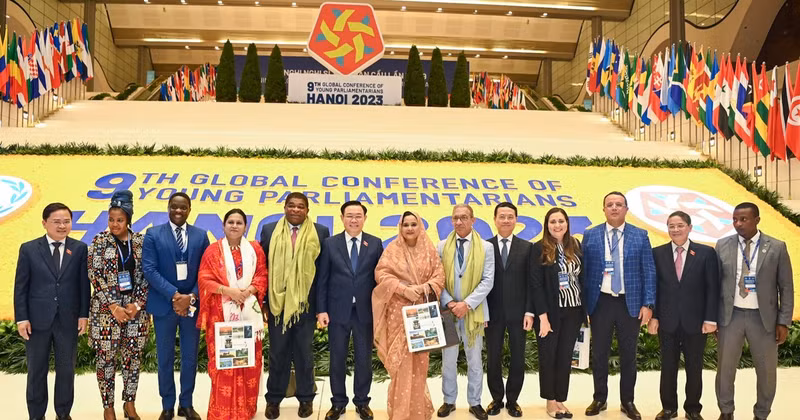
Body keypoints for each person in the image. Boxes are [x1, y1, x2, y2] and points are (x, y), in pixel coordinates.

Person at [715, 202, 793, 420]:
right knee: (725, 369)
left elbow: (786, 287)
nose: (738, 224)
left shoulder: (776, 247)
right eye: (734, 219)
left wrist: (783, 321)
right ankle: (726, 411)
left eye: (744, 219)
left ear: (757, 220)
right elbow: (714, 284)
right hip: (730, 316)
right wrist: (712, 318)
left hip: (763, 318)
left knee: (766, 371)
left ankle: (761, 413)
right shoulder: (722, 245)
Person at [582, 191, 656, 420]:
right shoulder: (591, 235)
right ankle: (599, 398)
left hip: (629, 302)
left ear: (626, 209)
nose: (614, 208)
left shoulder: (640, 235)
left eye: (618, 204)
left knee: (628, 355)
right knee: (599, 353)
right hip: (600, 302)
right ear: (603, 209)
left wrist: (648, 303)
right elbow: (584, 272)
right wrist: (584, 305)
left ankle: (628, 401)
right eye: (610, 204)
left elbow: (649, 271)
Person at [14, 202, 90, 420]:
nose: (62, 226)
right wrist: (22, 318)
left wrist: (83, 314)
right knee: (36, 371)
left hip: (68, 319)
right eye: (56, 221)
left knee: (66, 370)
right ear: (44, 223)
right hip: (37, 321)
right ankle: (36, 415)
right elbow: (21, 287)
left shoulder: (79, 249)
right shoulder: (29, 249)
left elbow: (84, 285)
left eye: (67, 221)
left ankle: (63, 413)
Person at [261, 192, 330, 419]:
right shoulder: (270, 230)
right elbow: (264, 269)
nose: (296, 210)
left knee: (304, 354)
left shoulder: (320, 232)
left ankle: (306, 398)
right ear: (285, 207)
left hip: (305, 305)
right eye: (291, 205)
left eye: (301, 206)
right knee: (277, 353)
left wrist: (321, 307)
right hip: (278, 304)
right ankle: (274, 399)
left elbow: (322, 273)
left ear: (307, 210)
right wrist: (264, 302)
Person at [142, 192, 210, 420]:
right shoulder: (153, 234)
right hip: (164, 304)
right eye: (174, 207)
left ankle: (186, 404)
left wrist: (191, 296)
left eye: (183, 207)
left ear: (189, 209)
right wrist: (174, 295)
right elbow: (149, 269)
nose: (178, 211)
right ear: (168, 208)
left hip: (192, 305)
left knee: (190, 357)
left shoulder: (201, 236)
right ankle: (167, 405)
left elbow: (207, 271)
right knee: (165, 358)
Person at [373, 211, 445, 420]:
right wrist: (404, 290)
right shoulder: (392, 250)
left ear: (420, 226)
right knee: (400, 365)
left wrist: (423, 288)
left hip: (422, 313)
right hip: (398, 313)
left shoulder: (429, 250)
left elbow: (439, 276)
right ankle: (400, 413)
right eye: (406, 225)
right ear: (400, 227)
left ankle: (417, 412)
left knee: (420, 364)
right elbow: (381, 274)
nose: (410, 228)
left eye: (414, 224)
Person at [197, 209, 268, 420]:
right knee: (225, 362)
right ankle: (221, 412)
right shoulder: (213, 251)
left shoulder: (255, 249)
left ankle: (246, 410)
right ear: (224, 225)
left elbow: (262, 275)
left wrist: (246, 292)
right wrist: (229, 292)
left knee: (247, 362)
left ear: (245, 226)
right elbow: (204, 279)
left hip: (248, 314)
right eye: (230, 222)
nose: (234, 226)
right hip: (221, 315)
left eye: (239, 222)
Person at [647, 211, 718, 420]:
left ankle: (693, 409)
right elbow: (654, 287)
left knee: (694, 368)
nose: (675, 230)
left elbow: (712, 288)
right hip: (667, 321)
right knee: (668, 367)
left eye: (680, 225)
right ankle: (669, 408)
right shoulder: (657, 253)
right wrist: (654, 316)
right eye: (671, 226)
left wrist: (710, 319)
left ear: (689, 227)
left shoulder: (706, 253)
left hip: (695, 322)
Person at [317, 201, 384, 420]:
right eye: (349, 216)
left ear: (365, 218)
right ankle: (338, 403)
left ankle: (362, 402)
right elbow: (322, 279)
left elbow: (380, 279)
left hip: (365, 312)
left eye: (358, 216)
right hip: (337, 311)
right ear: (342, 218)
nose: (353, 220)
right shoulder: (330, 244)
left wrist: (381, 310)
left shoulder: (375, 243)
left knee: (364, 359)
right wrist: (321, 310)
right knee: (337, 358)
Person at [88, 191, 149, 420]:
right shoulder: (99, 241)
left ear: (128, 219)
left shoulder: (141, 242)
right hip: (106, 312)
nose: (115, 224)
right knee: (106, 359)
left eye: (120, 220)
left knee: (133, 358)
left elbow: (148, 274)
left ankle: (129, 403)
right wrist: (113, 306)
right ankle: (108, 406)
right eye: (111, 219)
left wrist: (137, 304)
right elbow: (94, 275)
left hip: (135, 312)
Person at [485, 202, 545, 418]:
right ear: (495, 219)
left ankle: (512, 400)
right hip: (492, 313)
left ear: (516, 220)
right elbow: (480, 281)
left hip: (519, 313)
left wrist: (530, 312)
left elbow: (532, 283)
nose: (506, 220)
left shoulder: (527, 248)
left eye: (510, 216)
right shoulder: (485, 246)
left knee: (518, 357)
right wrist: (482, 312)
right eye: (502, 216)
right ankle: (496, 398)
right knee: (493, 356)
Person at [437, 204, 495, 420]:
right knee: (448, 360)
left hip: (474, 312)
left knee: (475, 360)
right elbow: (438, 279)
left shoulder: (486, 248)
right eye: (455, 218)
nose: (459, 221)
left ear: (473, 220)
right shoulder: (441, 246)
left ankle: (475, 402)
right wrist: (450, 303)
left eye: (463, 217)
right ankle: (449, 400)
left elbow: (488, 280)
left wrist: (466, 304)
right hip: (448, 312)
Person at [532, 208, 586, 419]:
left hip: (574, 310)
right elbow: (536, 285)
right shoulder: (539, 248)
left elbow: (581, 277)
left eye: (561, 221)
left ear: (567, 223)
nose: (557, 225)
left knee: (565, 357)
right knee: (549, 357)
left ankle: (561, 399)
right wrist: (542, 317)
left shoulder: (575, 245)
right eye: (553, 221)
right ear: (547, 225)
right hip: (550, 313)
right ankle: (550, 401)